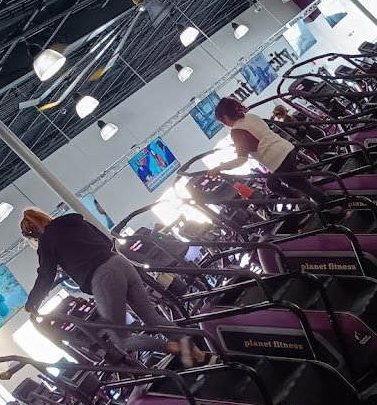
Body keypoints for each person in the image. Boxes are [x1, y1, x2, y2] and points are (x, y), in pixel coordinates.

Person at [20, 207, 210, 366]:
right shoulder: (75, 221)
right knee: (152, 318)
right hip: (120, 263)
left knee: (121, 338)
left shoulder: (46, 242)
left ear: (33, 235)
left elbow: (46, 275)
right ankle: (200, 354)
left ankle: (174, 348)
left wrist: (32, 303)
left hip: (102, 278)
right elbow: (105, 241)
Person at [214, 97, 342, 216]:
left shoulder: (236, 132)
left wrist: (219, 168)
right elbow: (258, 137)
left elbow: (242, 159)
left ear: (225, 117)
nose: (225, 124)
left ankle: (334, 209)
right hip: (287, 149)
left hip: (278, 161)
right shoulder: (251, 116)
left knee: (305, 187)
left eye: (223, 121)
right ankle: (301, 201)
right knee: (272, 184)